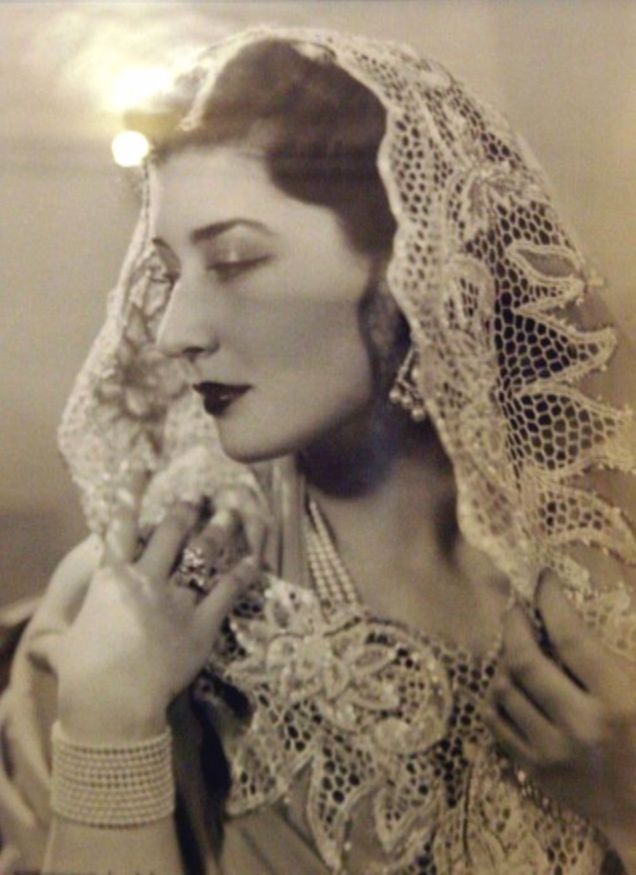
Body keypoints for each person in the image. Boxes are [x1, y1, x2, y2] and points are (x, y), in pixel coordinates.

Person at [1, 25, 636, 875]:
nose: (175, 331)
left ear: (418, 266)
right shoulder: (122, 614)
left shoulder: (608, 576)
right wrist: (110, 722)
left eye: (234, 259)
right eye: (168, 274)